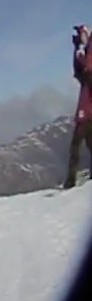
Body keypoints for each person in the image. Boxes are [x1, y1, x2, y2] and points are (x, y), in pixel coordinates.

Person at [64, 24, 92, 189]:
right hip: (87, 112)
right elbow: (79, 70)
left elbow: (84, 68)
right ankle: (72, 179)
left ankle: (70, 180)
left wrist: (80, 46)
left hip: (86, 113)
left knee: (76, 145)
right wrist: (78, 47)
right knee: (89, 144)